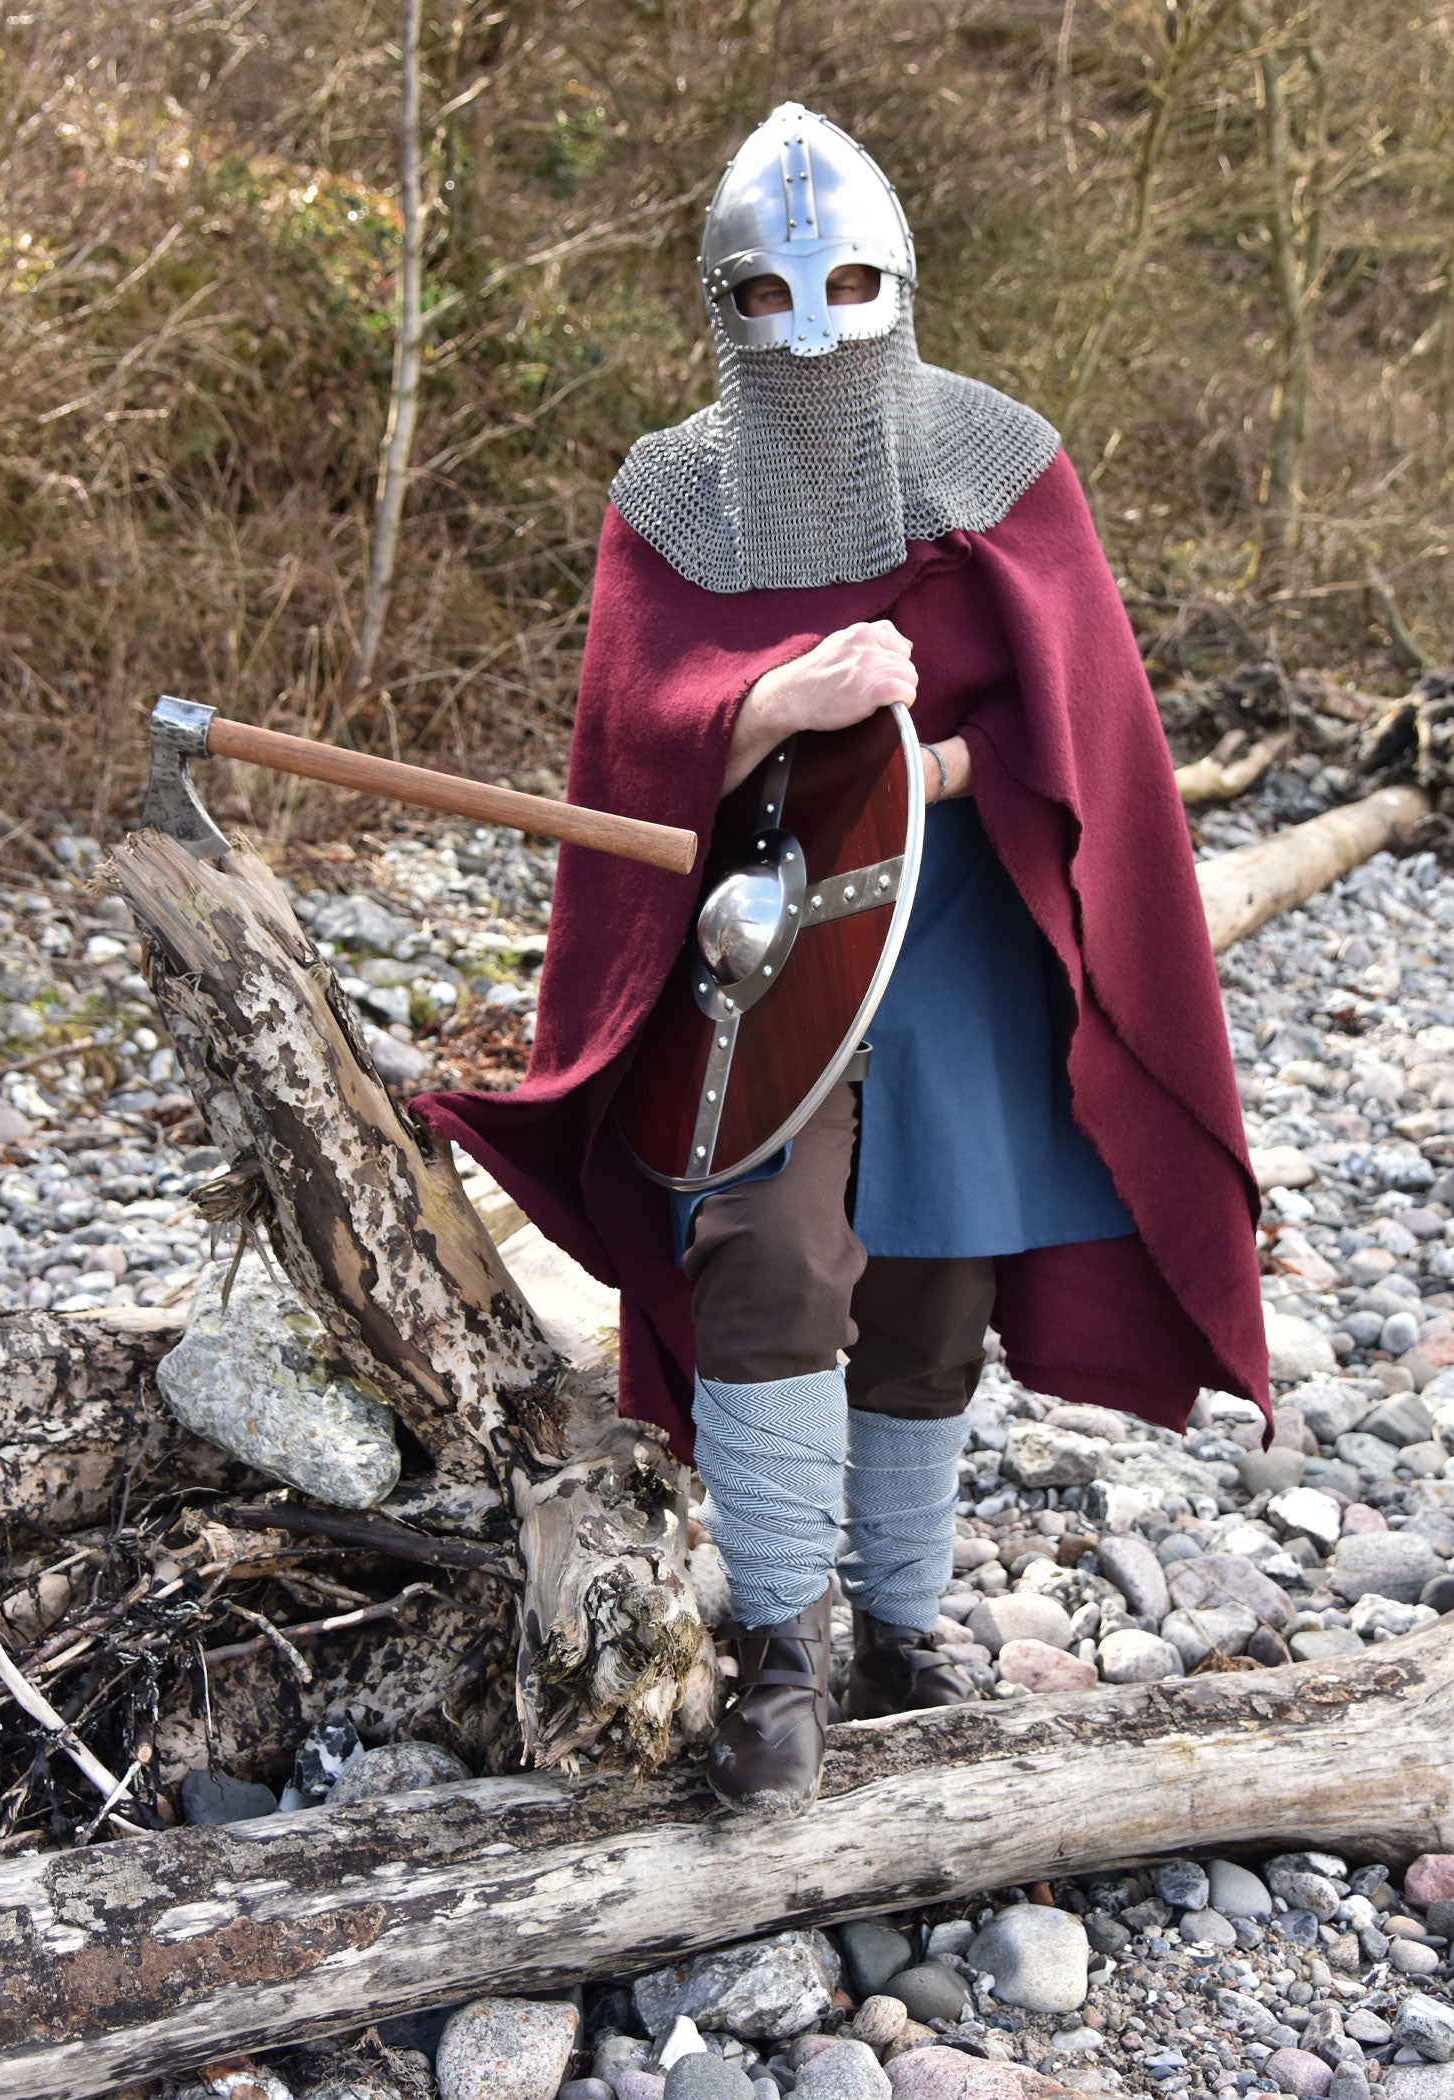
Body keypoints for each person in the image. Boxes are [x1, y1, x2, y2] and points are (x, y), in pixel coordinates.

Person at [413, 103, 1269, 1818]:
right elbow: (623, 734)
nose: (811, 322)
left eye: (849, 281)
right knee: (771, 1254)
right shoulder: (672, 494)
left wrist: (930, 764)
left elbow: (1090, 715)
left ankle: (897, 1627)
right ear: (718, 305)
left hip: (956, 921)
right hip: (765, 928)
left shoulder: (999, 455)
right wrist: (759, 709)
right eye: (771, 293)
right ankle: (783, 1667)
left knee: (938, 1279)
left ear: (904, 279)